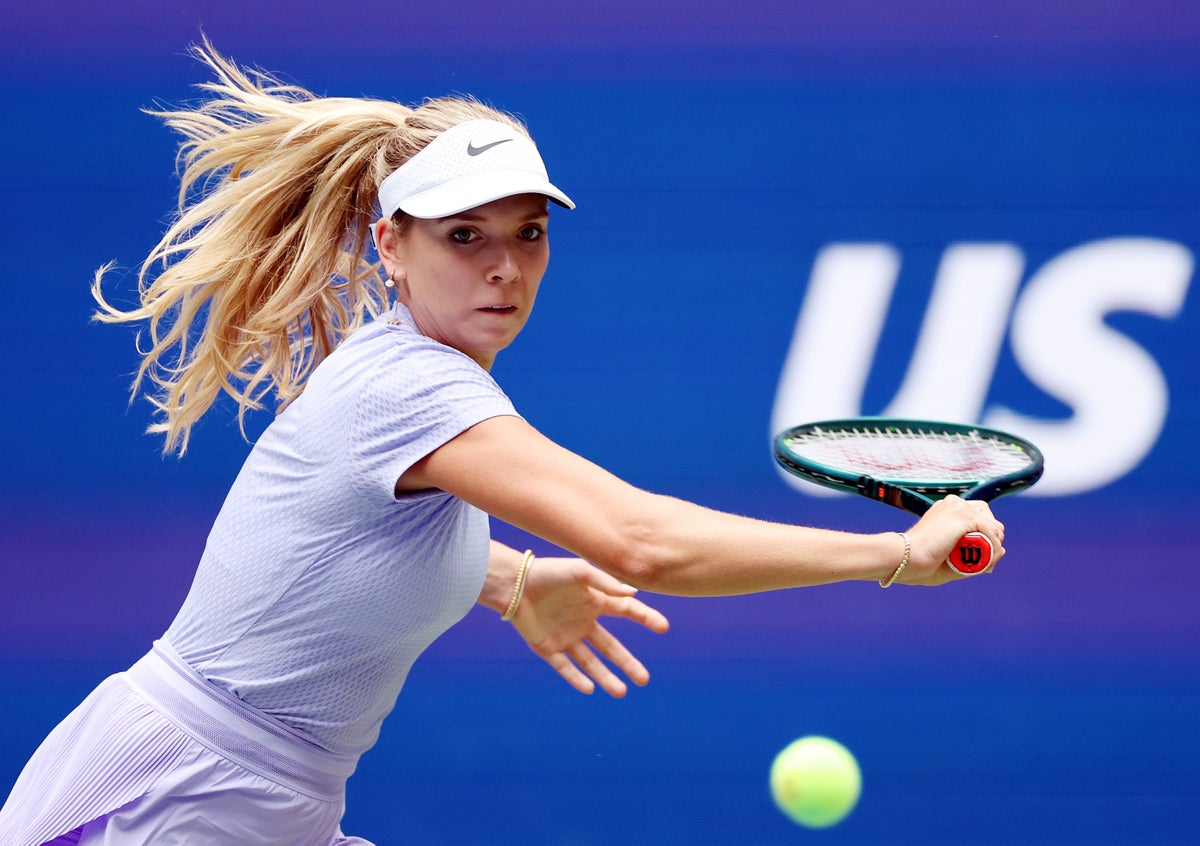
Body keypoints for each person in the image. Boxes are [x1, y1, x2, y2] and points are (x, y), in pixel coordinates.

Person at [0, 40, 1006, 846]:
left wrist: (512, 580)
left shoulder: (408, 377)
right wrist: (893, 557)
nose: (506, 268)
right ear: (391, 247)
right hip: (176, 804)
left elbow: (327, 556)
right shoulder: (409, 387)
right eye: (464, 236)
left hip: (261, 801)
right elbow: (641, 542)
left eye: (528, 233)